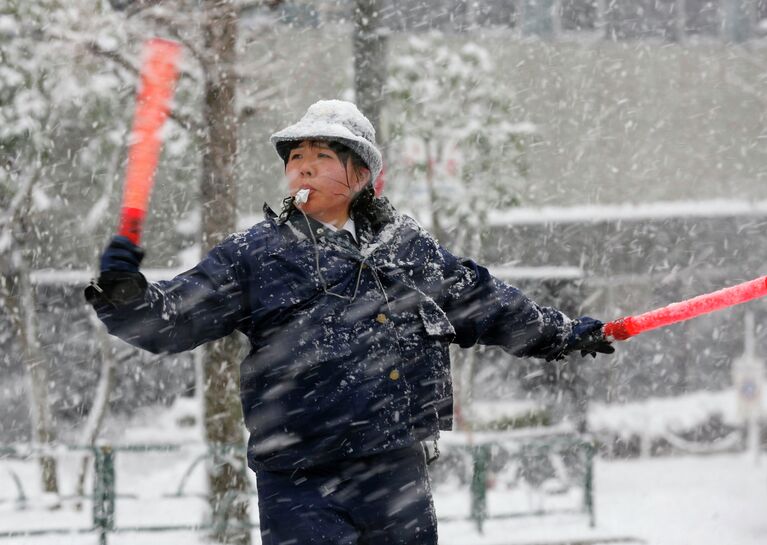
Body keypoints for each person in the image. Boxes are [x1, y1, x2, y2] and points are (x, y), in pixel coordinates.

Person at [85, 99, 614, 544]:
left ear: (361, 175)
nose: (305, 167)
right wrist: (125, 296)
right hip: (297, 476)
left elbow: (485, 301)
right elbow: (168, 321)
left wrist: (564, 334)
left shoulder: (409, 251)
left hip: (395, 471)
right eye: (296, 157)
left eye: (322, 155)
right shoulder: (256, 255)